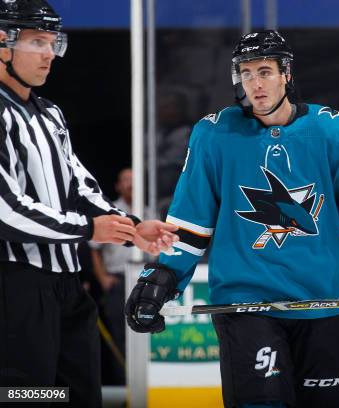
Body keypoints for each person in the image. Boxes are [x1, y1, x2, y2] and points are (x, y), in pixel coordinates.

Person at [124, 30, 339, 408]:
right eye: (246, 73)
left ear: (286, 74)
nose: (255, 84)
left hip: (323, 305)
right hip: (247, 307)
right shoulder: (215, 134)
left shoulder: (333, 131)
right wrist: (164, 277)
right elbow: (190, 225)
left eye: (265, 71)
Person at [0, 1, 178, 406]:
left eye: (53, 43)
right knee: (29, 397)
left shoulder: (50, 116)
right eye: (38, 42)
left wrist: (129, 226)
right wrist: (87, 229)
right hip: (16, 289)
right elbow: (5, 208)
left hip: (67, 287)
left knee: (81, 396)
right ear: (3, 44)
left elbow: (80, 186)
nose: (50, 54)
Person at [90, 168, 134, 385]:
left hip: (142, 281)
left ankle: (143, 383)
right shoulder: (111, 211)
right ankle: (123, 387)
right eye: (125, 180)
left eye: (134, 180)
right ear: (118, 186)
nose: (130, 184)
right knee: (119, 336)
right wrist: (103, 279)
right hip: (116, 281)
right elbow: (94, 248)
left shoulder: (149, 208)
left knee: (144, 334)